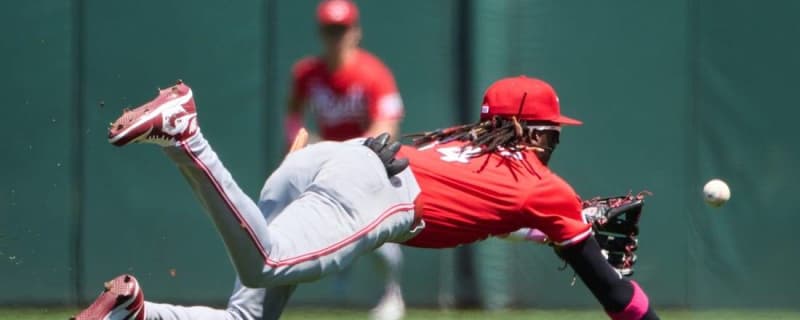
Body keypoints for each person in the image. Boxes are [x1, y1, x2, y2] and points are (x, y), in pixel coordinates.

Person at [75, 75, 659, 320]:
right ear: (532, 132)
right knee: (267, 261)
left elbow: (484, 214)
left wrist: (552, 231)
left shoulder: (464, 146)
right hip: (379, 189)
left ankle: (138, 313)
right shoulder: (544, 186)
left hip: (332, 158)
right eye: (553, 130)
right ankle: (186, 134)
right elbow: (615, 296)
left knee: (247, 317)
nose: (556, 140)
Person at [284, 0, 406, 318]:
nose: (335, 37)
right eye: (329, 30)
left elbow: (387, 125)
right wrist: (302, 142)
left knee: (379, 237)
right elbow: (292, 113)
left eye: (342, 29)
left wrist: (355, 152)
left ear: (356, 32)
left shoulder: (372, 73)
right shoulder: (307, 73)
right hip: (324, 161)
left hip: (366, 160)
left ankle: (392, 292)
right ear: (320, 33)